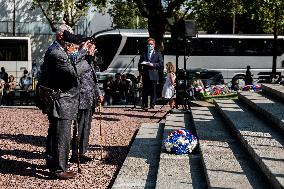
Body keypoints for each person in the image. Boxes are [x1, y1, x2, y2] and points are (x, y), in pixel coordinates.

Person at [40, 24, 93, 180]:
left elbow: (72, 67)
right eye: (73, 46)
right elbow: (73, 72)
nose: (73, 49)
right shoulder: (56, 54)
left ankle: (56, 164)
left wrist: (83, 54)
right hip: (61, 101)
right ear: (66, 42)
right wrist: (86, 56)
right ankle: (58, 169)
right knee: (61, 137)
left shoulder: (60, 52)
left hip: (64, 101)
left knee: (60, 135)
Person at [67, 43, 104, 164]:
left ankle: (82, 152)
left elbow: (94, 80)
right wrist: (84, 50)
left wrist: (98, 93)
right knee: (79, 127)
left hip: (90, 99)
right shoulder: (78, 58)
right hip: (81, 99)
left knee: (86, 128)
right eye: (92, 49)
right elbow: (74, 62)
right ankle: (75, 153)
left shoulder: (90, 61)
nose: (94, 51)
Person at [138, 38, 163, 110]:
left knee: (153, 91)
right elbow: (139, 64)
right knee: (145, 91)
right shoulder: (144, 54)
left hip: (153, 74)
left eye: (151, 44)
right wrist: (140, 73)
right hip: (145, 74)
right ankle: (144, 104)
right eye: (149, 44)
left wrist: (153, 65)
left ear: (154, 45)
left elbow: (161, 64)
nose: (150, 45)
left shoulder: (158, 53)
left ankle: (152, 104)